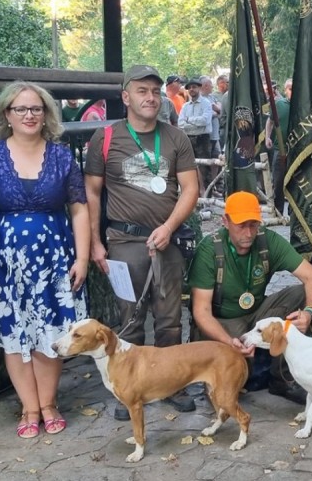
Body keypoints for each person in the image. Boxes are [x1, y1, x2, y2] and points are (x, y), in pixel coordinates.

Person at [84, 65, 199, 421]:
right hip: (123, 241)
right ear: (126, 97)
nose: (150, 97)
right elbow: (91, 192)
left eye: (155, 91)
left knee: (169, 318)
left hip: (168, 239)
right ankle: (129, 388)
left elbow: (190, 189)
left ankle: (172, 384)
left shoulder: (176, 137)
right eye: (142, 91)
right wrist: (95, 243)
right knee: (130, 320)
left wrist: (168, 227)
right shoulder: (104, 139)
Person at [0, 81, 89, 438]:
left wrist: (82, 258)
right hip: (4, 263)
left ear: (46, 114)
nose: (29, 115)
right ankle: (28, 407)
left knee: (51, 334)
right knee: (15, 334)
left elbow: (80, 209)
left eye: (36, 109)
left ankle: (49, 402)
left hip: (53, 260)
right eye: (21, 109)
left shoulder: (61, 155)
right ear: (6, 114)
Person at [187, 191, 312, 404]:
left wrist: (309, 313)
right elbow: (201, 312)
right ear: (225, 221)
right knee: (228, 390)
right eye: (241, 225)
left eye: (253, 224)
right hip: (223, 322)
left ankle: (283, 379)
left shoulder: (268, 240)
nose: (249, 232)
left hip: (257, 314)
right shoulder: (210, 250)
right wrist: (228, 341)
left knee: (300, 293)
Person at [178, 77, 213, 193]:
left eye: (194, 87)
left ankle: (207, 197)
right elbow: (180, 123)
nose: (192, 89)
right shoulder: (185, 106)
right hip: (188, 138)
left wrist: (188, 120)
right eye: (189, 88)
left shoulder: (206, 103)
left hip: (203, 139)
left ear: (199, 88)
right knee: (189, 168)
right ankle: (194, 196)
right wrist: (193, 123)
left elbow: (205, 121)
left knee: (204, 168)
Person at [264, 82, 291, 214]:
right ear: (285, 90)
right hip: (279, 149)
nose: (293, 91)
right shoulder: (279, 105)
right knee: (278, 180)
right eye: (290, 88)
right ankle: (278, 211)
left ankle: (294, 213)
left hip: (296, 150)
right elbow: (270, 121)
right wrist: (267, 137)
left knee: (295, 182)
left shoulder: (303, 105)